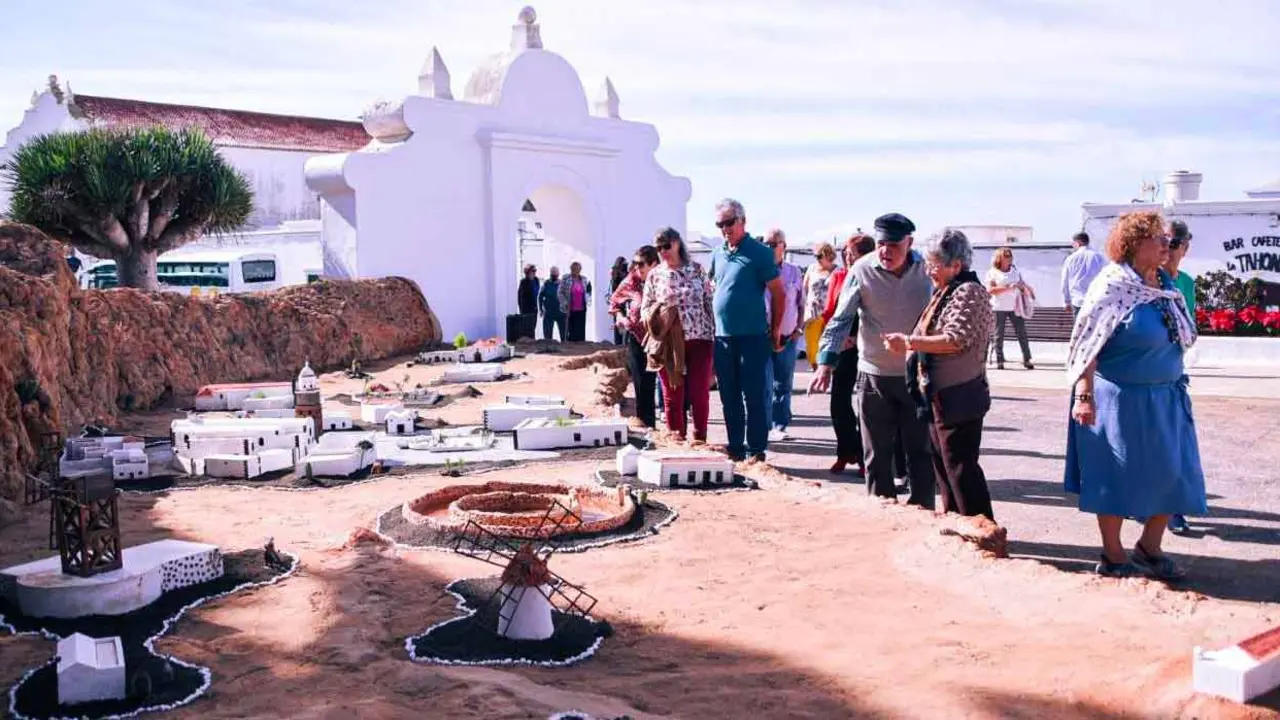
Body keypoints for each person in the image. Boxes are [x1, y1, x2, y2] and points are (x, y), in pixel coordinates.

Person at [1065, 211, 1206, 580]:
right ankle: (1113, 555)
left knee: (1173, 474)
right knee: (1114, 475)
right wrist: (1084, 393)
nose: (1167, 244)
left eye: (1168, 240)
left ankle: (1149, 547)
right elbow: (1087, 344)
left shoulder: (1164, 285)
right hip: (1117, 400)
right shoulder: (1113, 284)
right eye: (1158, 238)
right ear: (1134, 244)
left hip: (1166, 399)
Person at [810, 213, 935, 507]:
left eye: (893, 244)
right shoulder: (861, 270)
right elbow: (841, 319)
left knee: (920, 452)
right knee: (877, 454)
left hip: (917, 376)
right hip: (873, 377)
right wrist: (826, 362)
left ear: (909, 242)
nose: (885, 251)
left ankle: (922, 515)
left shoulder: (927, 270)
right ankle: (882, 514)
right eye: (881, 243)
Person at [884, 229, 996, 520]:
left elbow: (954, 339)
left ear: (956, 265)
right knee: (946, 468)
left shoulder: (969, 292)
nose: (929, 271)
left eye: (934, 264)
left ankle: (982, 530)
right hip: (941, 396)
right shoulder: (949, 290)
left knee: (960, 468)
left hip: (959, 396)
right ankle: (960, 526)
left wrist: (909, 342)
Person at [708, 199, 786, 462]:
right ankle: (735, 447)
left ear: (742, 221)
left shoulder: (760, 253)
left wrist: (776, 328)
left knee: (753, 395)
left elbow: (778, 293)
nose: (725, 229)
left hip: (753, 336)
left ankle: (756, 450)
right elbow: (715, 288)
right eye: (720, 224)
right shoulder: (717, 254)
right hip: (723, 337)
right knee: (728, 395)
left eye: (729, 223)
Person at [641, 228, 715, 442]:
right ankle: (676, 440)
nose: (663, 251)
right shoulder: (655, 275)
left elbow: (708, 303)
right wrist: (659, 313)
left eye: (666, 246)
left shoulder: (697, 270)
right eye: (658, 248)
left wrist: (713, 337)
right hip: (669, 342)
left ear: (677, 243)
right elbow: (645, 309)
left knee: (699, 393)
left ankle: (700, 439)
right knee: (672, 394)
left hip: (700, 339)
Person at [823, 233, 875, 474]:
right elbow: (832, 311)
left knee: (866, 405)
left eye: (851, 254)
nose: (846, 257)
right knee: (838, 403)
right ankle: (847, 450)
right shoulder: (839, 276)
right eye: (845, 252)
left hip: (866, 346)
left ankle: (867, 458)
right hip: (841, 347)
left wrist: (855, 337)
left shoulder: (873, 277)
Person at [1162, 220, 1197, 536]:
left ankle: (1173, 510)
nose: (1171, 250)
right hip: (1145, 376)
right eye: (1167, 242)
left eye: (1177, 244)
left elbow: (1190, 329)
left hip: (1172, 375)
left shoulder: (1185, 282)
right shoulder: (1144, 279)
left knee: (1174, 445)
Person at [762, 229, 805, 441]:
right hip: (763, 337)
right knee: (765, 384)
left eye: (773, 243)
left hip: (788, 337)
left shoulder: (794, 272)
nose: (769, 248)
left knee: (784, 384)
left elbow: (801, 303)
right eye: (766, 243)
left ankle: (780, 425)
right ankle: (765, 426)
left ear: (783, 246)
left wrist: (798, 329)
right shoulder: (758, 271)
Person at [611, 247, 661, 428]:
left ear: (654, 264)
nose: (636, 268)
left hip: (660, 339)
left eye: (641, 264)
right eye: (634, 263)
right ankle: (647, 428)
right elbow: (614, 302)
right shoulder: (631, 281)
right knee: (642, 386)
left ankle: (670, 432)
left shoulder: (662, 279)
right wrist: (620, 317)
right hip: (637, 340)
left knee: (660, 385)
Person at [987, 248, 1035, 370]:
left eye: (1010, 255)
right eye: (1006, 256)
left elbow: (1022, 284)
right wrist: (1008, 287)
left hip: (1015, 307)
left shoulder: (1015, 271)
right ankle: (999, 360)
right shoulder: (993, 273)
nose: (1009, 258)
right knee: (999, 334)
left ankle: (1027, 359)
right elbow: (991, 290)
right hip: (998, 307)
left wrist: (1025, 289)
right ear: (1000, 258)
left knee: (1022, 333)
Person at [802, 243, 838, 372]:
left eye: (818, 256)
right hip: (812, 314)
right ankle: (815, 370)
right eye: (815, 256)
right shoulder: (811, 269)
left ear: (827, 255)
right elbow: (804, 289)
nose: (816, 258)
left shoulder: (837, 270)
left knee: (827, 345)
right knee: (812, 347)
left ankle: (826, 373)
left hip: (830, 314)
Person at [1061, 231, 1108, 320]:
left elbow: (1065, 281)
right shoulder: (1099, 257)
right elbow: (1106, 278)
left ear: (1078, 242)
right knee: (1094, 331)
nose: (1073, 246)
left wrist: (1066, 301)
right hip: (1095, 301)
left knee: (1079, 330)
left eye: (1073, 243)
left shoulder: (1070, 259)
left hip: (1078, 301)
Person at [557, 262, 592, 342]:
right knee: (571, 331)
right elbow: (559, 292)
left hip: (582, 308)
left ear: (580, 270)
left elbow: (587, 292)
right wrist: (564, 302)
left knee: (580, 330)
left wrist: (588, 300)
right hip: (570, 308)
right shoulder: (566, 278)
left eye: (577, 269)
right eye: (573, 269)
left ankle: (581, 348)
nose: (575, 271)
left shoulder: (584, 279)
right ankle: (571, 348)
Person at [538, 266, 565, 341]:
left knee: (564, 336)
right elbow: (540, 296)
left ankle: (565, 350)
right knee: (547, 336)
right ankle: (548, 348)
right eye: (552, 275)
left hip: (561, 313)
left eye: (555, 275)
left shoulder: (562, 284)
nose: (554, 276)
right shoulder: (546, 284)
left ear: (558, 274)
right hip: (549, 312)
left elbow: (567, 297)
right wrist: (540, 309)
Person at [610, 256, 630, 344]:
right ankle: (621, 345)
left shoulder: (615, 273)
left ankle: (620, 344)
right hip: (621, 302)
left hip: (620, 303)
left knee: (621, 325)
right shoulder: (619, 274)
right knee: (622, 325)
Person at [517, 264, 540, 338]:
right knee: (527, 329)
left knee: (533, 327)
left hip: (534, 308)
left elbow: (536, 293)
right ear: (527, 272)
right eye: (532, 271)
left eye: (535, 271)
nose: (534, 273)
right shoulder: (523, 282)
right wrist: (522, 310)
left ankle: (532, 341)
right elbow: (520, 297)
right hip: (526, 309)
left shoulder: (536, 280)